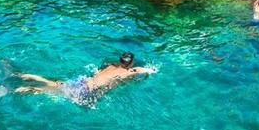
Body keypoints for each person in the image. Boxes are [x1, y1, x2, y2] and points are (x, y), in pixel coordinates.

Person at [13, 52, 156, 105]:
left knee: (58, 84)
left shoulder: (111, 65)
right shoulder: (128, 71)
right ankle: (30, 89)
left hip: (83, 81)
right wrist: (151, 70)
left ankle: (29, 76)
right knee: (56, 93)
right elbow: (143, 70)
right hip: (87, 89)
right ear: (130, 63)